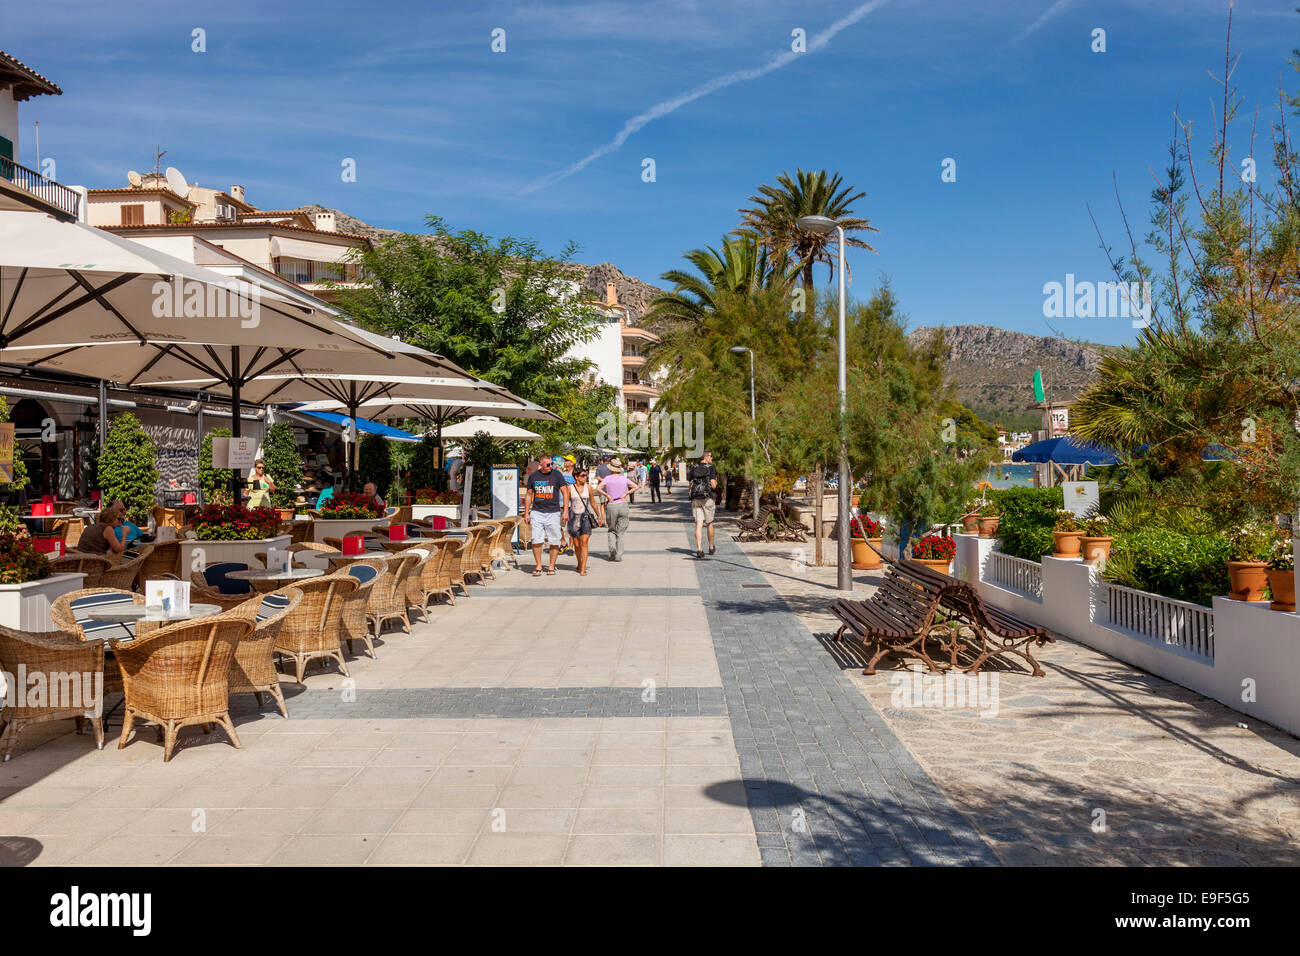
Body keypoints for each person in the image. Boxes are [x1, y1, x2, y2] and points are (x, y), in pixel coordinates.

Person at [524, 453, 569, 576]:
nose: (550, 466)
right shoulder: (533, 476)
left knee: (554, 540)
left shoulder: (557, 475)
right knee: (536, 540)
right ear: (541, 465)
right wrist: (526, 512)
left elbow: (565, 492)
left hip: (553, 512)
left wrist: (565, 511)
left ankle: (551, 566)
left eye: (551, 464)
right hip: (537, 512)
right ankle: (538, 565)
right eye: (548, 464)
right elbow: (528, 494)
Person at [595, 457, 641, 562]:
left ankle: (612, 551)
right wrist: (626, 493)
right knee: (620, 532)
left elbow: (598, 488)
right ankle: (619, 554)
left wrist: (607, 495)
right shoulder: (624, 479)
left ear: (611, 469)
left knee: (611, 529)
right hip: (623, 504)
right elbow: (636, 486)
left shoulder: (607, 478)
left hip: (611, 504)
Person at [568, 466, 602, 576]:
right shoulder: (570, 488)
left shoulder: (589, 488)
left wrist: (599, 516)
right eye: (583, 475)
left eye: (586, 475)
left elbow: (592, 502)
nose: (585, 477)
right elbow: (565, 504)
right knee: (577, 545)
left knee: (584, 543)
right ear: (576, 477)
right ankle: (579, 563)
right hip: (573, 518)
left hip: (585, 517)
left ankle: (583, 568)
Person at [688, 450, 720, 559]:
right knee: (709, 523)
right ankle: (711, 547)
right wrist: (716, 483)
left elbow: (690, 484)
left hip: (696, 498)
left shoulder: (693, 468)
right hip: (708, 498)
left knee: (698, 523)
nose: (712, 458)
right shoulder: (710, 468)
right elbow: (714, 485)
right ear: (706, 457)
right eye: (711, 456)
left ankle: (699, 549)